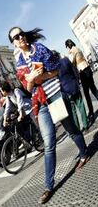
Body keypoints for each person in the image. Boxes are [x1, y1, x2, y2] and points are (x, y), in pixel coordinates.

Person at [9, 26, 90, 204]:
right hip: (40, 103)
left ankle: (84, 154)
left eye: (21, 34)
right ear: (13, 43)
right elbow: (28, 89)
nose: (20, 37)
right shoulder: (20, 63)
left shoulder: (40, 49)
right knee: (49, 143)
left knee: (71, 129)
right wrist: (30, 80)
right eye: (16, 37)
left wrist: (42, 75)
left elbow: (56, 70)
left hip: (54, 95)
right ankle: (48, 186)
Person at [54, 50, 88, 132]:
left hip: (65, 90)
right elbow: (74, 71)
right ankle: (86, 124)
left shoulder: (54, 68)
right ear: (58, 54)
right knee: (81, 105)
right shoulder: (65, 60)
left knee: (73, 111)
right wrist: (77, 81)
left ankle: (77, 128)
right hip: (73, 85)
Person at [66, 39, 97, 126]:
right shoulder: (78, 48)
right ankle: (91, 111)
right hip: (88, 68)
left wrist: (68, 53)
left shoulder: (72, 51)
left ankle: (91, 112)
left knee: (86, 93)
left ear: (68, 46)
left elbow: (71, 62)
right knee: (93, 89)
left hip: (82, 72)